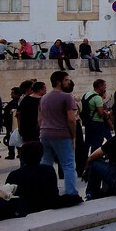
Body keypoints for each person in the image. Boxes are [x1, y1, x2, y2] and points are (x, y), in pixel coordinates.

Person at [39, 70, 80, 199]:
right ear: (59, 82)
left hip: (45, 133)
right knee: (68, 165)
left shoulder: (43, 98)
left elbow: (39, 119)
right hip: (61, 134)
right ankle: (71, 193)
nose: (69, 82)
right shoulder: (67, 97)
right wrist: (73, 136)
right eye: (66, 80)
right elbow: (71, 119)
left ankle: (46, 191)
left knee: (46, 164)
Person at [5, 140, 60, 213]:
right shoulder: (49, 170)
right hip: (47, 207)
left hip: (25, 210)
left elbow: (6, 196)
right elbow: (54, 192)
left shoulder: (15, 175)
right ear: (40, 155)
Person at [17, 80, 45, 147]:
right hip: (36, 128)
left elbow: (19, 114)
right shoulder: (42, 100)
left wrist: (20, 127)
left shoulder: (25, 99)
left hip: (26, 128)